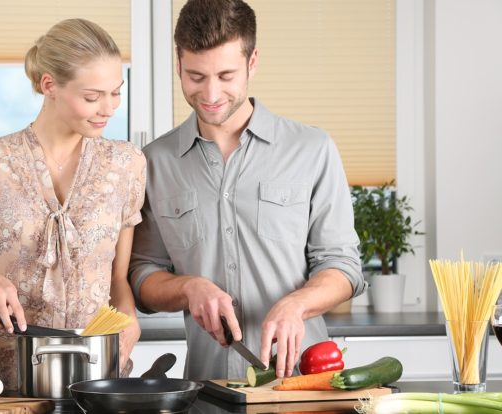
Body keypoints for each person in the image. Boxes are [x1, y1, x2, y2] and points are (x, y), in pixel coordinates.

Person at [129, 0, 366, 381]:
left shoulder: (311, 149)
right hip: (207, 392)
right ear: (178, 65)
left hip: (304, 387)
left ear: (252, 62)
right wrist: (188, 288)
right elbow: (143, 275)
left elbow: (343, 266)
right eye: (195, 76)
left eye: (226, 75)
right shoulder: (154, 162)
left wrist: (298, 304)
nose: (210, 93)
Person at [0, 18, 146, 390]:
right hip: (10, 382)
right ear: (49, 85)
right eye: (92, 96)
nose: (109, 108)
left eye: (116, 92)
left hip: (99, 378)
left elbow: (118, 279)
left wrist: (129, 319)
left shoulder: (127, 164)